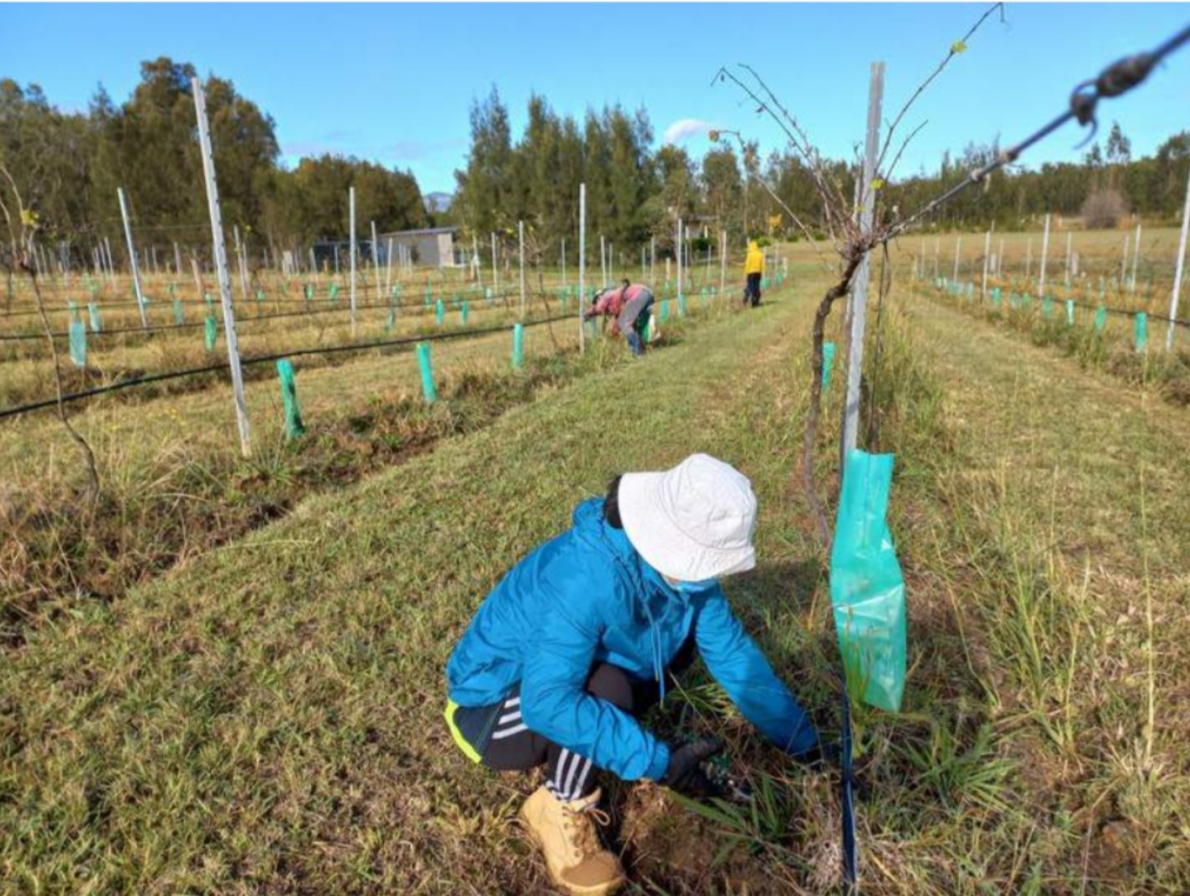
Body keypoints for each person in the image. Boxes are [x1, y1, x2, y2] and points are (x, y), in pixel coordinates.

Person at [444, 454, 827, 896]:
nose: (708, 575)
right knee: (607, 689)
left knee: (676, 647)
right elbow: (547, 702)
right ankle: (558, 803)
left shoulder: (687, 574)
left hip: (556, 685)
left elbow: (732, 652)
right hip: (491, 708)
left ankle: (600, 741)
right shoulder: (585, 578)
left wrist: (804, 742)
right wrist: (661, 763)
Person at [584, 280, 655, 356]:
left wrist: (586, 315)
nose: (597, 303)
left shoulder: (606, 295)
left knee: (625, 324)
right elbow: (617, 322)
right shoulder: (615, 299)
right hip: (648, 295)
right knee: (634, 326)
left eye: (596, 301)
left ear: (599, 297)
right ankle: (643, 348)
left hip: (640, 294)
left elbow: (599, 308)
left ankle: (637, 352)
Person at [744, 240, 765, 307]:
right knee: (756, 286)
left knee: (750, 286)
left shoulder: (750, 254)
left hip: (750, 273)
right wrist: (762, 271)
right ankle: (755, 301)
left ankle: (750, 296)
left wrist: (745, 272)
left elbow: (747, 264)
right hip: (758, 272)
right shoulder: (760, 254)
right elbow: (762, 264)